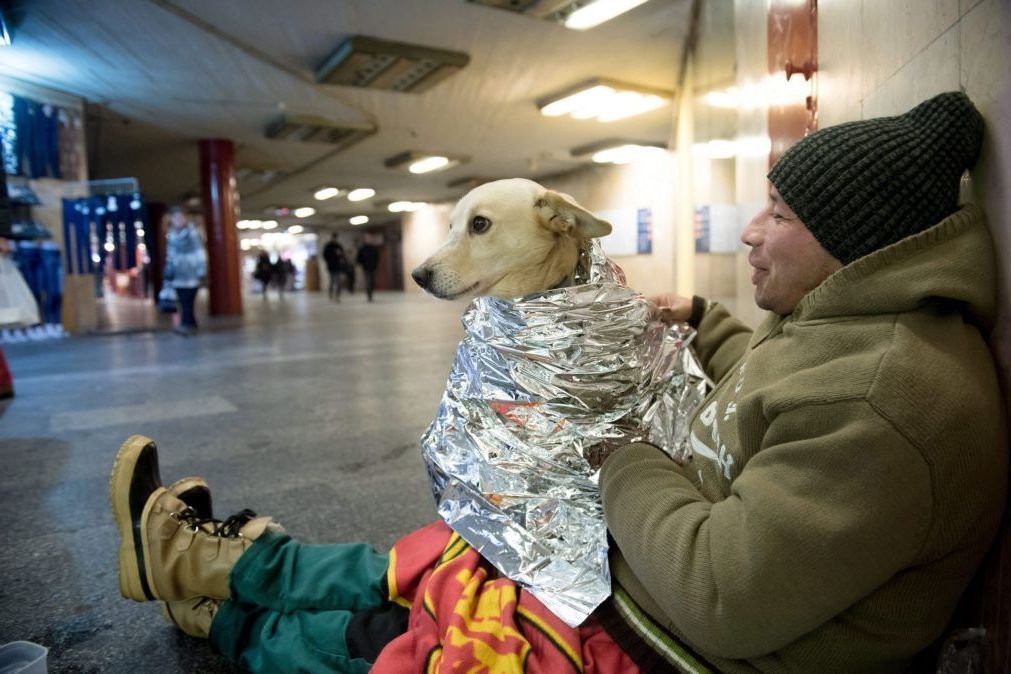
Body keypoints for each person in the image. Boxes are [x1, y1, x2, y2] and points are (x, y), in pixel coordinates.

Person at [109, 92, 1006, 673]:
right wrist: (704, 320)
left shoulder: (887, 403)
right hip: (657, 579)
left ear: (858, 238)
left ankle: (216, 613)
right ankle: (214, 560)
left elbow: (724, 599)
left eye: (777, 213)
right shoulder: (847, 327)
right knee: (451, 547)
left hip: (679, 645)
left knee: (420, 641)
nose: (748, 234)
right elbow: (765, 401)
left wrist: (612, 452)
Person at [163, 206, 207, 336]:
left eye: (181, 217)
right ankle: (190, 324)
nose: (178, 220)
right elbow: (170, 255)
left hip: (191, 272)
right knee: (182, 301)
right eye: (175, 217)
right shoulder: (171, 234)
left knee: (188, 300)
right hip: (177, 274)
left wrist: (201, 271)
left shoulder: (192, 232)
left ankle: (186, 324)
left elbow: (199, 252)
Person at [322, 233, 346, 301]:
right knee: (332, 281)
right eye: (333, 238)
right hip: (331, 266)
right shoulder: (328, 246)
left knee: (338, 282)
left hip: (338, 266)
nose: (334, 239)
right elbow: (325, 255)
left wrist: (340, 254)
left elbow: (343, 255)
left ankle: (337, 296)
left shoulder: (338, 246)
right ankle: (331, 294)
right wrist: (329, 261)